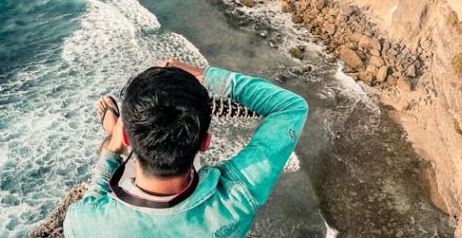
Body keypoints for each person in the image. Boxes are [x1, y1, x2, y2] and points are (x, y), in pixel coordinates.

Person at [62, 58, 308, 238]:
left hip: (129, 151)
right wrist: (203, 74)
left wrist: (111, 151)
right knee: (167, 151)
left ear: (126, 137)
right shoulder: (236, 196)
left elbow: (94, 198)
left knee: (148, 155)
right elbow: (289, 107)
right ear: (206, 142)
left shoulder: (82, 222)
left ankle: (115, 133)